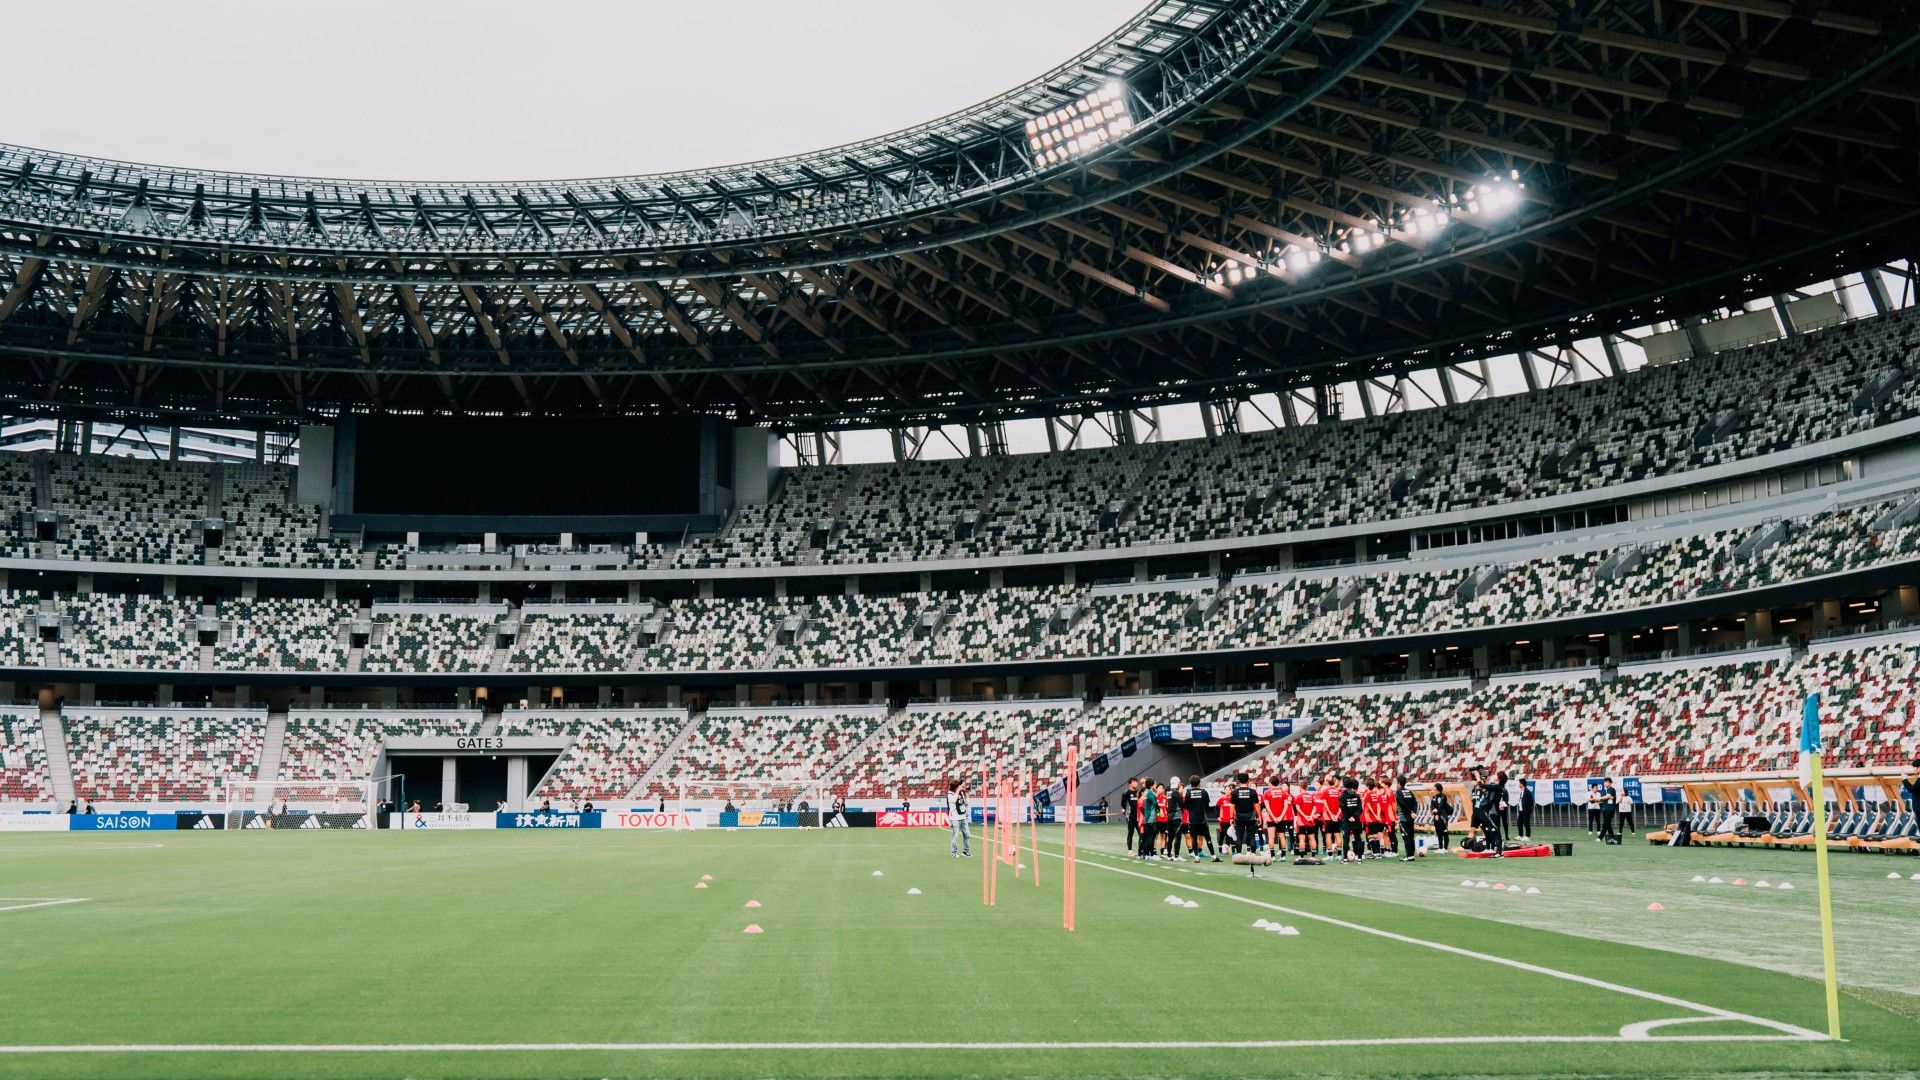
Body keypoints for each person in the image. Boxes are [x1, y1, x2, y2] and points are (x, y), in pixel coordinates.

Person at [1183, 775, 1217, 862]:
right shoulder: (1204, 792)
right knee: (1208, 838)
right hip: (1202, 819)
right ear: (1199, 783)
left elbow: (1185, 806)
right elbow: (1207, 805)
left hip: (1192, 819)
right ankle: (1213, 856)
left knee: (1194, 838)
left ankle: (1196, 857)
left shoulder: (1188, 792)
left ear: (1191, 783)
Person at [1228, 772, 1261, 854]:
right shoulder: (1253, 792)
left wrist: (1231, 817)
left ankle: (1239, 854)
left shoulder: (1235, 792)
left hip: (1239, 817)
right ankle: (1253, 854)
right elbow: (1257, 806)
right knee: (1251, 836)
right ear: (1248, 780)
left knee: (1239, 837)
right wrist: (1259, 817)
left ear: (1239, 780)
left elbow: (1232, 806)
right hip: (1251, 817)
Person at [1337, 777, 1365, 862]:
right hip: (1356, 820)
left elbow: (1343, 808)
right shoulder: (1356, 795)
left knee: (1346, 838)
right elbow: (1360, 808)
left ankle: (1345, 858)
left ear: (1344, 785)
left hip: (1346, 820)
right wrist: (1354, 816)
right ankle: (1359, 857)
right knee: (1358, 838)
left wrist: (1349, 817)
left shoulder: (1342, 796)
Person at [1394, 775, 1420, 861]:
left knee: (1406, 836)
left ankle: (1409, 856)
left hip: (1403, 817)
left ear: (1398, 783)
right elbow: (1415, 803)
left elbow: (1402, 804)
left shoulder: (1398, 792)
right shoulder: (1409, 791)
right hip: (1411, 818)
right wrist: (1413, 812)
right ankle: (1411, 855)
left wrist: (1409, 812)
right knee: (1411, 836)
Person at [946, 780, 971, 858]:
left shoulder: (961, 793)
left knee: (967, 835)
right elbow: (953, 801)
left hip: (963, 817)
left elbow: (966, 803)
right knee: (955, 836)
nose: (963, 787)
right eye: (961, 786)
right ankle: (954, 852)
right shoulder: (950, 794)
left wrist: (966, 794)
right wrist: (958, 791)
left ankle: (966, 851)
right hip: (954, 818)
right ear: (956, 786)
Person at [1136, 780, 1159, 860]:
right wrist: (1158, 811)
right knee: (1151, 836)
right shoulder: (1150, 793)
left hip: (1146, 817)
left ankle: (1145, 854)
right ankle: (1151, 854)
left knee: (1146, 836)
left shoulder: (1145, 792)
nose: (1156, 785)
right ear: (1152, 785)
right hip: (1150, 817)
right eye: (1155, 784)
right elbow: (1156, 804)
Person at [1430, 784, 1452, 850]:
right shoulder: (1434, 797)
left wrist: (1437, 814)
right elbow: (1432, 806)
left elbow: (1441, 806)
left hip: (1443, 816)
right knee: (1438, 832)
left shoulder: (1443, 796)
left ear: (1438, 790)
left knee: (1444, 831)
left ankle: (1445, 848)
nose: (1433, 791)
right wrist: (1433, 811)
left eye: (1434, 789)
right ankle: (1440, 847)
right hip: (1436, 816)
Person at [1121, 777, 1140, 854]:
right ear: (1130, 783)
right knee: (1131, 832)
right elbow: (1122, 803)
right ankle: (1130, 850)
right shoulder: (1126, 792)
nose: (1136, 783)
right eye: (1134, 782)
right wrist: (1125, 809)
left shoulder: (1139, 792)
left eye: (1136, 782)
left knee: (1141, 833)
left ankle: (1140, 850)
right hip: (1130, 816)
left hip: (1138, 816)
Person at [1516, 775, 1536, 842]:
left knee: (1526, 823)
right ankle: (1520, 835)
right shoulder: (1521, 791)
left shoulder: (1528, 792)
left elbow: (1531, 801)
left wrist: (1529, 810)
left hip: (1526, 810)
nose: (1518, 784)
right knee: (1519, 822)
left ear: (1522, 784)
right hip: (1521, 810)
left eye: (1519, 783)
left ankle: (1527, 836)